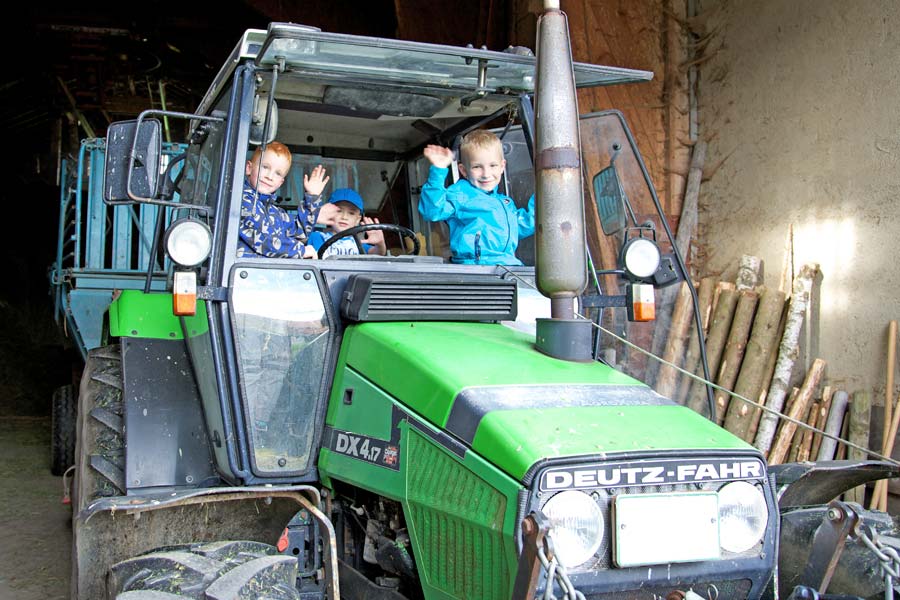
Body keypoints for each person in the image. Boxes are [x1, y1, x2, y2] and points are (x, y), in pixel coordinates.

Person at [418, 129, 535, 265]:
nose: (486, 174)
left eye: (493, 165)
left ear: (502, 166)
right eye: (477, 167)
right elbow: (432, 211)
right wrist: (438, 171)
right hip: (476, 268)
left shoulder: (504, 202)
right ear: (463, 170)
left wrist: (546, 195)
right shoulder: (461, 194)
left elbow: (523, 225)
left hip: (508, 267)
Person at [236, 141, 337, 258]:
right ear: (249, 168)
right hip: (243, 272)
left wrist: (312, 198)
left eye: (278, 173)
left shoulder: (276, 214)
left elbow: (300, 233)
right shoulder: (241, 201)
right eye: (265, 167)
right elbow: (265, 242)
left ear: (281, 182)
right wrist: (301, 251)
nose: (270, 176)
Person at [307, 188, 387, 258]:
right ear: (329, 213)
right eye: (339, 211)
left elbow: (377, 254)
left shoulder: (359, 243)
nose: (344, 217)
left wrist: (380, 244)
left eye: (351, 213)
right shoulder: (318, 237)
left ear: (357, 220)